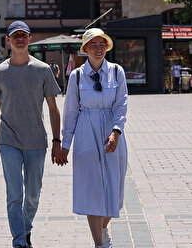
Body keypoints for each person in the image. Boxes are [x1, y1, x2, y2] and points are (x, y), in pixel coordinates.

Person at [0, 20, 65, 248]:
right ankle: (19, 241)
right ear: (8, 41)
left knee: (32, 195)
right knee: (14, 195)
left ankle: (26, 228)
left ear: (30, 40)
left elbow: (53, 108)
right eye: (15, 36)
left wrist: (56, 140)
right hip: (8, 141)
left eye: (24, 35)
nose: (19, 39)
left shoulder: (43, 70)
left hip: (36, 142)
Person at [57, 28, 128, 248]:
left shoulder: (117, 72)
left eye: (102, 44)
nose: (98, 49)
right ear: (85, 48)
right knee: (91, 189)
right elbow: (70, 111)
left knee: (114, 190)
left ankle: (104, 227)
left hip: (111, 132)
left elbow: (121, 105)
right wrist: (65, 144)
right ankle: (99, 243)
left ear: (107, 47)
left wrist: (116, 132)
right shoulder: (77, 76)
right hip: (86, 133)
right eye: (93, 45)